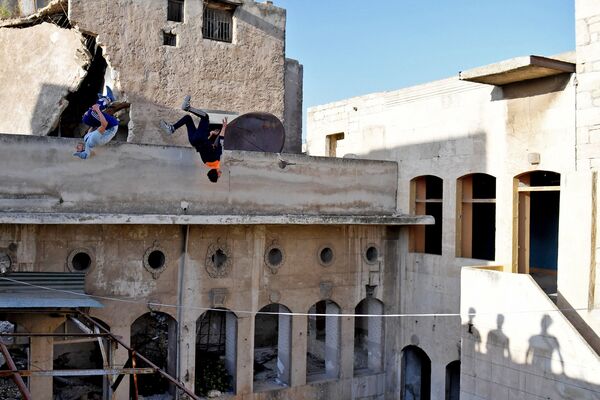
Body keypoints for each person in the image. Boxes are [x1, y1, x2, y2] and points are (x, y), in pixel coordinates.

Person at [160, 96, 227, 183]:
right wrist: (210, 135)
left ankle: (187, 108)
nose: (220, 175)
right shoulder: (206, 162)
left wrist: (224, 127)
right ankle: (172, 128)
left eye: (219, 176)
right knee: (188, 118)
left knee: (205, 117)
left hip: (200, 138)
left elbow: (221, 139)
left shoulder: (217, 159)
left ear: (217, 174)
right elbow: (206, 147)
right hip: (194, 141)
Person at [73, 92, 120, 160]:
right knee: (91, 112)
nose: (76, 148)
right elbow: (104, 124)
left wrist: (94, 121)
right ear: (83, 149)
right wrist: (98, 111)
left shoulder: (87, 141)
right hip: (112, 125)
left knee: (85, 119)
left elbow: (91, 130)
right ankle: (108, 98)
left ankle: (103, 101)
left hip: (107, 126)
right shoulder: (93, 140)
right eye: (78, 150)